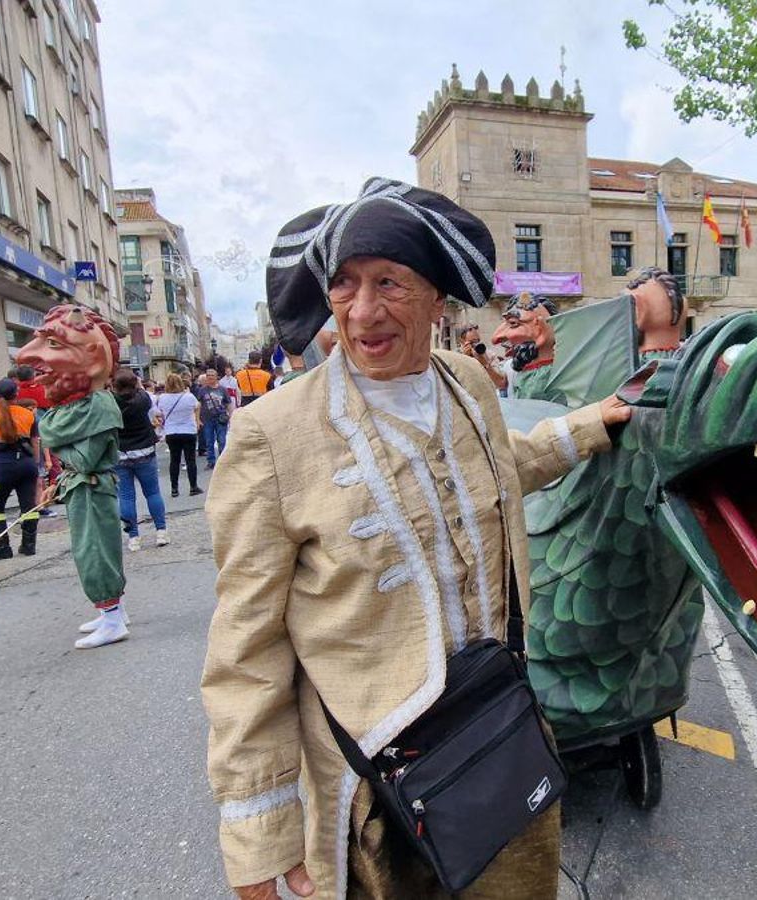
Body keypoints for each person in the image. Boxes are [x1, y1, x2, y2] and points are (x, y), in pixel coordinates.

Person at [202, 178, 630, 899]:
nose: (361, 312)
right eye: (343, 285)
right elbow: (245, 650)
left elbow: (502, 465)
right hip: (376, 780)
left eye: (389, 283)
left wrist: (592, 426)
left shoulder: (468, 383)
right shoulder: (272, 435)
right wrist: (259, 837)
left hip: (498, 734)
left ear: (438, 299)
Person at [13, 305, 130, 649]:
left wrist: (55, 441)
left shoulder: (98, 406)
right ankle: (113, 612)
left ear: (91, 358)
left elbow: (85, 459)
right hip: (84, 486)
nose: (28, 355)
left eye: (52, 344)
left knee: (95, 550)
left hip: (93, 488)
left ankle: (112, 618)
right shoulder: (81, 405)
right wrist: (60, 480)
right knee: (92, 549)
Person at [0, 379, 42, 561]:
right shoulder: (28, 415)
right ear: (16, 395)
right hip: (27, 465)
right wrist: (36, 464)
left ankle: (1, 546)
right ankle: (29, 545)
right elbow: (35, 441)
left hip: (3, 466)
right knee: (29, 505)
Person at [112, 369, 168, 552]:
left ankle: (133, 536)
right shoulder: (143, 400)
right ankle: (161, 531)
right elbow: (142, 391)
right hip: (144, 450)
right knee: (152, 492)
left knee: (126, 496)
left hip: (121, 453)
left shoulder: (111, 402)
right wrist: (137, 383)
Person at [154, 372, 201, 497]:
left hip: (171, 431)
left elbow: (158, 413)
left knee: (174, 460)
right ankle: (193, 486)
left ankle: (174, 488)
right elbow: (197, 406)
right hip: (188, 430)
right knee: (190, 460)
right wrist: (196, 419)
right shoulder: (189, 397)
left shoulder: (162, 398)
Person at [196, 369, 234, 467]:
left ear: (216, 377)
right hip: (207, 419)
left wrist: (231, 416)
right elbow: (198, 405)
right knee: (209, 441)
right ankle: (211, 462)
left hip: (221, 418)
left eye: (212, 375)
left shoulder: (222, 389)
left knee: (222, 440)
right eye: (208, 375)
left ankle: (223, 462)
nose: (210, 377)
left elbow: (229, 403)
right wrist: (197, 419)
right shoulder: (202, 390)